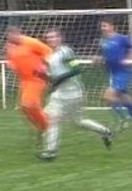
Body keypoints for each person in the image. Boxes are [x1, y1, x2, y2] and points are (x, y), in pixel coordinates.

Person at [38, 29, 114, 160]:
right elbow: (54, 77)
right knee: (52, 119)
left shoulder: (65, 51)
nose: (51, 40)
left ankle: (104, 131)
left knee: (76, 122)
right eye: (48, 38)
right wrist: (43, 75)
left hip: (74, 93)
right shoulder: (50, 56)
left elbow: (76, 69)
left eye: (53, 37)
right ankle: (50, 151)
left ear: (60, 38)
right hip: (59, 94)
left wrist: (57, 80)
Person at [96, 20, 132, 138]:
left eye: (105, 25)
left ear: (111, 26)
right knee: (128, 103)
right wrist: (99, 60)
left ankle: (125, 119)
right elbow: (106, 57)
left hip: (124, 72)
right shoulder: (103, 41)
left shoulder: (121, 38)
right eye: (102, 26)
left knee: (108, 96)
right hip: (113, 74)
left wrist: (129, 59)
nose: (103, 28)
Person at [4, 26, 52, 137]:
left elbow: (48, 51)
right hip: (24, 81)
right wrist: (11, 64)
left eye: (13, 35)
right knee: (24, 108)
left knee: (28, 104)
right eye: (9, 37)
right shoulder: (10, 47)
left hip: (36, 79)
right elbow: (11, 59)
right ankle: (41, 127)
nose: (11, 38)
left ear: (18, 33)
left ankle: (47, 126)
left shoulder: (32, 42)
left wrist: (44, 65)